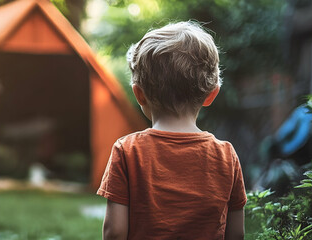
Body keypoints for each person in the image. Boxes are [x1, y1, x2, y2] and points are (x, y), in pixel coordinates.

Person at [97, 21, 246, 240]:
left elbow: (115, 232)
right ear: (211, 95)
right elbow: (236, 234)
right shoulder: (226, 156)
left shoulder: (127, 150)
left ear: (139, 94)